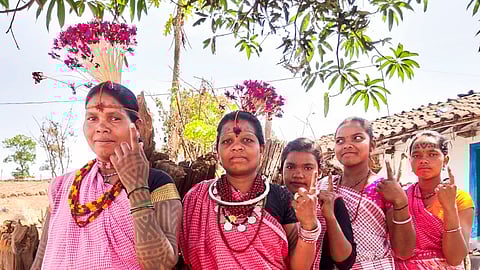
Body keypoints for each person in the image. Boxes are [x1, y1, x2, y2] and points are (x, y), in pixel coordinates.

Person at [31, 81, 182, 270]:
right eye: (92, 118)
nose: (101, 127)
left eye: (114, 118)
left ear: (137, 126)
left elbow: (160, 264)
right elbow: (42, 257)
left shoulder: (156, 183)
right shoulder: (63, 186)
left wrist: (137, 187)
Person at [179, 111, 319, 269]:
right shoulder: (197, 197)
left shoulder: (280, 197)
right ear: (217, 151)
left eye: (247, 140)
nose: (237, 146)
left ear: (262, 150)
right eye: (227, 141)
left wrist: (309, 226)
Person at [329, 116, 416, 269]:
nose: (347, 145)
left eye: (357, 138)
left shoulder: (383, 188)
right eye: (340, 141)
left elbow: (404, 251)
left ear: (372, 146)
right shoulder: (326, 186)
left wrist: (400, 202)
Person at [395, 130, 474, 269]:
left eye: (432, 154)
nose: (423, 160)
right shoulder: (401, 198)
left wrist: (450, 208)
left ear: (445, 160)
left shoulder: (460, 199)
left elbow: (455, 258)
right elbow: (399, 249)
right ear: (410, 161)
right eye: (416, 155)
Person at [280, 137, 356, 270]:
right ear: (281, 170)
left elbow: (345, 262)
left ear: (319, 172)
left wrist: (329, 217)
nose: (298, 174)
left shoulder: (330, 202)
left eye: (308, 168)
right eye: (290, 166)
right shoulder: (270, 202)